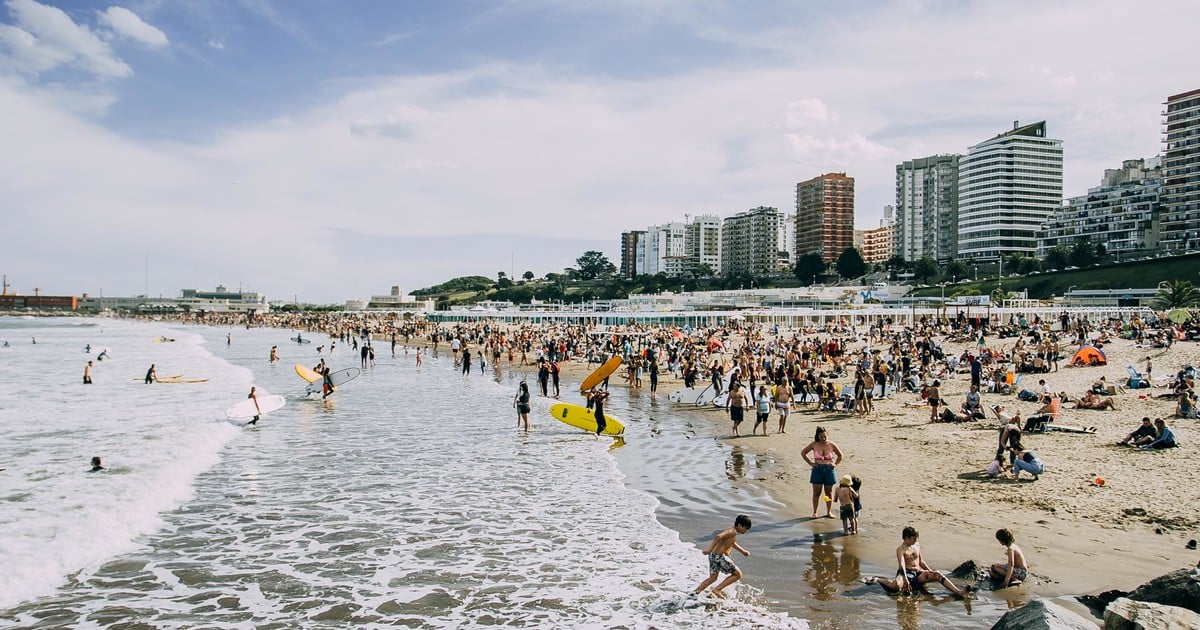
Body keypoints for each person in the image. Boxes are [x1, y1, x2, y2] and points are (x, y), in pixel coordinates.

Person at [867, 526, 973, 597]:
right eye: (913, 538)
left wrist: (932, 572)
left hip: (918, 573)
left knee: (938, 574)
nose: (915, 540)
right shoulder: (901, 549)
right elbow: (902, 566)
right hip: (906, 573)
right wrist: (905, 579)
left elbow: (921, 562)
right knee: (896, 586)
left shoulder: (916, 545)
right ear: (907, 538)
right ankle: (879, 580)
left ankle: (960, 592)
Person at [691, 514, 752, 599]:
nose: (746, 531)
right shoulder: (732, 531)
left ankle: (695, 592)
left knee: (712, 578)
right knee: (738, 574)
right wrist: (709, 549)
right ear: (739, 525)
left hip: (713, 556)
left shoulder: (732, 532)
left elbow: (732, 543)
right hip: (719, 557)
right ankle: (717, 589)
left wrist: (743, 551)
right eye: (745, 528)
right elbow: (718, 536)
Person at [800, 426, 843, 518]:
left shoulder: (831, 444)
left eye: (825, 436)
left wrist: (835, 464)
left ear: (827, 435)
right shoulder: (814, 444)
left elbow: (840, 455)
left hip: (829, 470)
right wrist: (811, 463)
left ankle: (828, 511)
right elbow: (803, 453)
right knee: (816, 493)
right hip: (817, 469)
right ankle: (815, 512)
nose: (823, 438)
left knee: (828, 493)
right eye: (821, 437)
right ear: (817, 436)